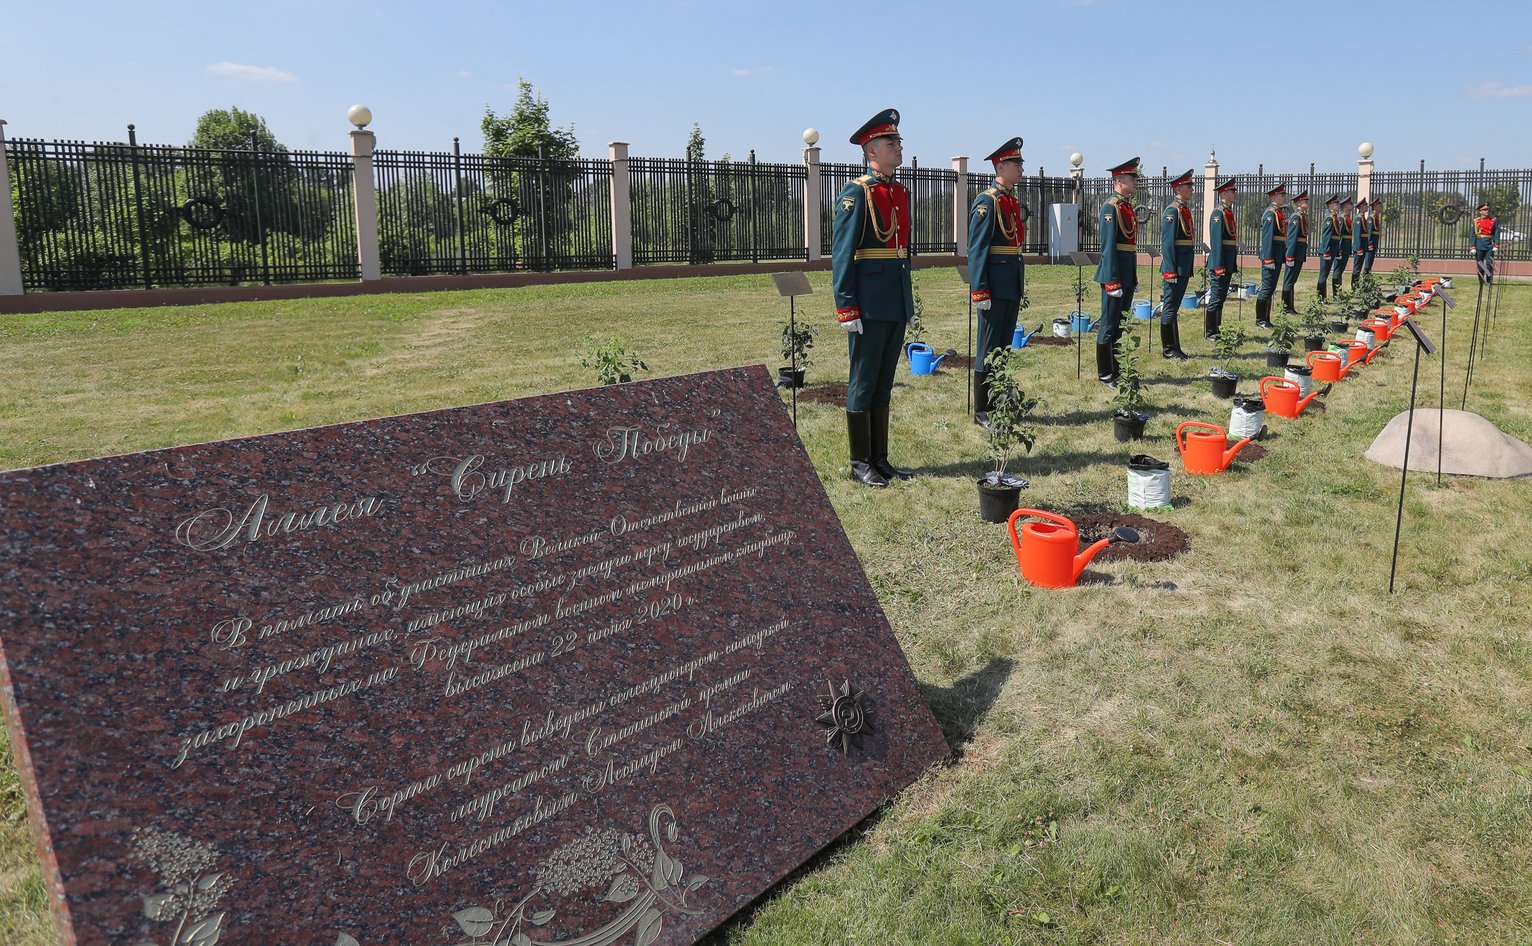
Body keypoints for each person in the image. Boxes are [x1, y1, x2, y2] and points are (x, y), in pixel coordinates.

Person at [832, 108, 915, 488]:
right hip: (867, 302)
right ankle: (859, 460)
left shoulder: (897, 191)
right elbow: (843, 253)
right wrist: (846, 305)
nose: (898, 148)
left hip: (893, 301)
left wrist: (905, 301)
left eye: (898, 142)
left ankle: (880, 458)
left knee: (883, 381)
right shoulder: (857, 193)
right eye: (891, 143)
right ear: (871, 151)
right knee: (863, 381)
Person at [968, 136, 1027, 426]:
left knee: (1003, 346)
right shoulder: (987, 201)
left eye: (1021, 162)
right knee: (988, 346)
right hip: (993, 284)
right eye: (1016, 163)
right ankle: (982, 410)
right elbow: (977, 249)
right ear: (1000, 165)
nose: (1021, 167)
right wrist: (980, 289)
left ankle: (999, 400)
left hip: (1010, 282)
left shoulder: (1010, 201)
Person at [1092, 158, 1142, 385]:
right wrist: (1112, 281)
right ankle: (1105, 373)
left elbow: (1128, 247)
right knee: (1109, 324)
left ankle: (1117, 368)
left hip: (1125, 271)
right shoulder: (1110, 207)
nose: (1135, 181)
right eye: (1132, 177)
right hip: (1114, 274)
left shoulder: (1126, 206)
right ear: (1119, 180)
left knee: (1120, 324)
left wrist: (1131, 277)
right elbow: (1109, 246)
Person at [1156, 168, 1194, 359]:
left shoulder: (1183, 210)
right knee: (1170, 307)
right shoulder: (1172, 211)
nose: (1192, 189)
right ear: (1178, 188)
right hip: (1175, 267)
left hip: (1183, 266)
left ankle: (1175, 346)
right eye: (1188, 186)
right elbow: (1168, 244)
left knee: (1174, 307)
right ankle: (1168, 349)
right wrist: (1170, 271)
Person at [1204, 178, 1239, 339]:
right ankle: (1210, 331)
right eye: (1232, 191)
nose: (1234, 193)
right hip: (1220, 262)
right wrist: (1218, 265)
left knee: (1221, 298)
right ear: (1224, 193)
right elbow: (1216, 241)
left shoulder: (1227, 212)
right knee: (1216, 297)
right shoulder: (1218, 213)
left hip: (1227, 261)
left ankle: (1217, 329)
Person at [1256, 182, 1288, 329]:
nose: (1284, 197)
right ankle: (1261, 319)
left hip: (1277, 254)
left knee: (1271, 286)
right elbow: (1267, 238)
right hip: (1271, 255)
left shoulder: (1278, 213)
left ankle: (1266, 319)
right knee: (1267, 287)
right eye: (1282, 195)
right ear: (1274, 196)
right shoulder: (1270, 214)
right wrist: (1268, 258)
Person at [1281, 189, 1309, 315]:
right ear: (1298, 203)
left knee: (1292, 280)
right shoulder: (1295, 218)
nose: (1307, 203)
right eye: (1305, 201)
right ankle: (1286, 307)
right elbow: (1291, 238)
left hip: (1299, 251)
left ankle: (1290, 307)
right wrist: (1290, 256)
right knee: (1289, 280)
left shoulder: (1301, 217)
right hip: (1294, 252)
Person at [1315, 194, 1342, 300]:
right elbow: (1326, 236)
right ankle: (1320, 298)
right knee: (1323, 276)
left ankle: (1323, 297)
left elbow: (1336, 237)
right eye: (1336, 204)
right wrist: (1326, 251)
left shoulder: (1334, 218)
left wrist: (1337, 250)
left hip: (1332, 250)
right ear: (1331, 205)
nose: (1338, 205)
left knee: (1325, 275)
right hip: (1327, 250)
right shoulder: (1329, 219)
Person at [1331, 195, 1354, 295]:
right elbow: (1339, 235)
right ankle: (1336, 293)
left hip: (1346, 247)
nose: (1352, 205)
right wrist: (1338, 250)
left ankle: (1339, 292)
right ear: (1345, 205)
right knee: (1337, 271)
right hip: (1342, 248)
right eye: (1350, 204)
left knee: (1341, 271)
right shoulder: (1341, 218)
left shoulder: (1347, 218)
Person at [1471, 202, 1499, 285]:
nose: (1487, 211)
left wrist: (1496, 244)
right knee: (1480, 265)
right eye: (1484, 210)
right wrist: (1472, 247)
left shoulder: (1493, 220)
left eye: (1487, 209)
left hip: (1489, 245)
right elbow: (1472, 234)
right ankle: (1481, 281)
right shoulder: (1476, 221)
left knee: (1489, 264)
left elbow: (1497, 232)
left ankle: (1488, 281)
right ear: (1480, 212)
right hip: (1479, 244)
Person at [1350, 197, 1371, 289]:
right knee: (1357, 268)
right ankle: (1354, 288)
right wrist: (1358, 248)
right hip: (1359, 247)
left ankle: (1357, 286)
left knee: (1359, 268)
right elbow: (1357, 235)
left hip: (1363, 246)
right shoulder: (1358, 219)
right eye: (1366, 205)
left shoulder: (1362, 218)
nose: (1367, 207)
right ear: (1361, 207)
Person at [1362, 197, 1381, 276]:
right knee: (1369, 259)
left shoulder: (1376, 216)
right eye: (1379, 205)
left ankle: (1368, 273)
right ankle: (1366, 275)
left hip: (1375, 241)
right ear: (1375, 206)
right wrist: (1369, 243)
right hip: (1371, 242)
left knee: (1371, 259)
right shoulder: (1371, 217)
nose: (1380, 206)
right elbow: (1369, 231)